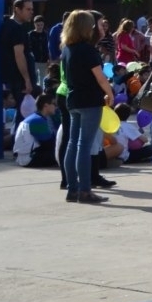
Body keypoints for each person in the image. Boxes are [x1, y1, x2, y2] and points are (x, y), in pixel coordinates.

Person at [60, 10, 109, 203]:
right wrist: (110, 93)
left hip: (73, 99)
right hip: (90, 100)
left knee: (73, 143)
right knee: (85, 145)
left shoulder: (67, 49)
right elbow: (100, 78)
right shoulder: (88, 50)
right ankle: (85, 191)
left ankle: (72, 189)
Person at [0, 0, 36, 110]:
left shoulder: (8, 25)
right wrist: (27, 79)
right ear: (17, 9)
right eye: (28, 9)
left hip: (12, 77)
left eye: (32, 9)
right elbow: (19, 55)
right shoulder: (16, 29)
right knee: (24, 111)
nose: (31, 12)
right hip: (18, 79)